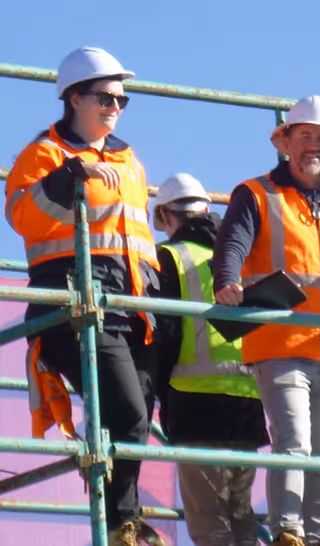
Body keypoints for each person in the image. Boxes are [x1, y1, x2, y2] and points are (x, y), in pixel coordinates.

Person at [212, 95, 320, 546]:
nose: (314, 145)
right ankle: (288, 531)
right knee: (293, 441)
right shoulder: (255, 193)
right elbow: (231, 245)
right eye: (305, 135)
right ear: (285, 141)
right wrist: (227, 282)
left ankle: (319, 536)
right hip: (279, 343)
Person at [5, 47, 163, 546]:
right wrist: (69, 176)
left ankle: (125, 520)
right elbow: (22, 218)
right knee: (129, 416)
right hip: (74, 309)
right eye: (106, 96)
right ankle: (123, 524)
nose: (116, 105)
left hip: (132, 310)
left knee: (130, 418)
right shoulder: (44, 155)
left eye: (122, 98)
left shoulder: (128, 159)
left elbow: (140, 243)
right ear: (74, 99)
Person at [152, 173, 269, 546]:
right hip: (248, 398)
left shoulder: (168, 256)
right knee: (240, 513)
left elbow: (165, 332)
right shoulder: (239, 258)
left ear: (165, 216)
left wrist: (157, 389)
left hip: (194, 398)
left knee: (208, 518)